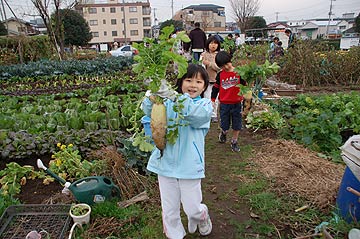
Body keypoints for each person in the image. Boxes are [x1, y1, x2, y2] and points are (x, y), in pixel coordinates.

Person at [142, 64, 213, 239]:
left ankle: (202, 217)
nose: (193, 85)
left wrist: (174, 97)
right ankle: (175, 235)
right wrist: (151, 95)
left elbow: (194, 115)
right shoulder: (167, 103)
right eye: (188, 80)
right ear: (180, 83)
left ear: (204, 86)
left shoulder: (204, 106)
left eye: (198, 81)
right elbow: (149, 112)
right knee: (169, 210)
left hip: (190, 166)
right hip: (164, 163)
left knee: (192, 208)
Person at [211, 51, 246, 152]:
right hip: (225, 104)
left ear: (230, 60)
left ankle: (234, 141)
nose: (226, 67)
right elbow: (215, 88)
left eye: (227, 64)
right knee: (225, 125)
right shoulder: (220, 75)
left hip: (237, 103)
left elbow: (245, 84)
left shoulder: (239, 73)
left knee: (237, 124)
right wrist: (213, 99)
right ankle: (224, 132)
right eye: (222, 66)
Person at [200, 35, 221, 122]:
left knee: (215, 99)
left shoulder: (219, 55)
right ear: (208, 44)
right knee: (206, 97)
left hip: (216, 81)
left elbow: (219, 67)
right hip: (206, 81)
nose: (213, 45)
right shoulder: (203, 54)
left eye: (215, 43)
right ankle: (207, 114)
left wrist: (209, 63)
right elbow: (200, 66)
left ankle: (214, 115)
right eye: (211, 43)